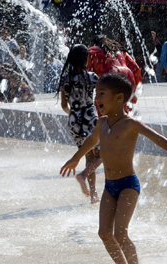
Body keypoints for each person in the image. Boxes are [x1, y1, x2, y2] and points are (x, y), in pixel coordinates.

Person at [60, 73, 167, 264]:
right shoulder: (101, 123)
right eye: (96, 94)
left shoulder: (131, 124)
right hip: (109, 186)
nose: (96, 98)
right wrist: (76, 159)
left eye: (101, 94)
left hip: (128, 185)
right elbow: (91, 141)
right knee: (104, 233)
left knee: (120, 233)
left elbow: (158, 138)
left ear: (119, 98)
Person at [58, 44, 102, 203]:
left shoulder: (65, 79)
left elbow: (64, 105)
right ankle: (82, 176)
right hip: (90, 118)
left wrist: (74, 114)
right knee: (102, 155)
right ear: (85, 59)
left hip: (74, 121)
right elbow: (101, 98)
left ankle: (93, 194)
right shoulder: (92, 77)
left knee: (89, 155)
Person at [87, 35, 142, 114]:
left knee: (101, 106)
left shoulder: (92, 50)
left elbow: (87, 72)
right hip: (128, 75)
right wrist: (133, 92)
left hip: (110, 76)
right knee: (122, 111)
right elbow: (136, 69)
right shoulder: (119, 49)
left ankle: (104, 126)